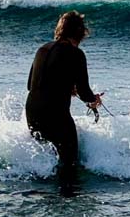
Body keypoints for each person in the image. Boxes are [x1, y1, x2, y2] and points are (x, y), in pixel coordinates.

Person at [26, 11, 103, 187]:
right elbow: (84, 92)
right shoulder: (76, 54)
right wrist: (93, 100)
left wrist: (66, 88)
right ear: (81, 32)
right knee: (69, 161)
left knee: (49, 157)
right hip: (55, 115)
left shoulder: (42, 49)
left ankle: (44, 193)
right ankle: (67, 200)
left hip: (32, 111)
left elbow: (32, 85)